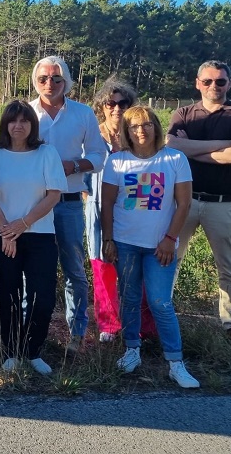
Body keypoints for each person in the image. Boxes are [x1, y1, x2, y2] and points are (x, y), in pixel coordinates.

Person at [101, 106, 199, 388]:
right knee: (129, 298)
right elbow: (106, 203)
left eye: (146, 125)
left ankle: (176, 363)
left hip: (160, 246)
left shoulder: (174, 159)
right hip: (125, 242)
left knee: (160, 302)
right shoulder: (117, 162)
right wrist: (108, 239)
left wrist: (170, 239)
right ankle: (132, 350)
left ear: (156, 126)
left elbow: (185, 204)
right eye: (134, 127)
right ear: (127, 132)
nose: (141, 131)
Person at [166, 60, 231, 336]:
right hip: (184, 200)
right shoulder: (183, 113)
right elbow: (172, 145)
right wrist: (224, 145)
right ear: (197, 83)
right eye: (207, 81)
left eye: (220, 81)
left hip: (225, 202)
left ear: (229, 84)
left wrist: (192, 150)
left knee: (229, 266)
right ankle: (160, 312)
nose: (213, 86)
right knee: (168, 258)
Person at [0, 100, 67, 375]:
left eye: (24, 121)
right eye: (13, 121)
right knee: (9, 295)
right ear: (5, 124)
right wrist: (7, 229)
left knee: (43, 297)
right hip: (1, 236)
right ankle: (11, 351)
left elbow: (54, 194)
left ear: (32, 125)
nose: (18, 126)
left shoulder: (46, 153)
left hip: (39, 234)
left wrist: (23, 223)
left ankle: (33, 350)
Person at [29, 56, 108, 353]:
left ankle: (76, 335)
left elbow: (100, 157)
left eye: (57, 78)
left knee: (74, 270)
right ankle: (31, 332)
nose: (50, 83)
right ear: (35, 82)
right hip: (33, 203)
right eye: (43, 79)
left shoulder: (83, 113)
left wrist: (73, 166)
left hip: (69, 203)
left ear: (67, 82)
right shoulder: (26, 113)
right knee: (31, 269)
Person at [84, 77, 156, 343]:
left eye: (122, 103)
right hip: (98, 205)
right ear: (101, 106)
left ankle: (143, 325)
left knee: (136, 267)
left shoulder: (136, 137)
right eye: (109, 103)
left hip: (133, 208)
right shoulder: (91, 135)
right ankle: (109, 325)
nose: (115, 108)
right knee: (103, 265)